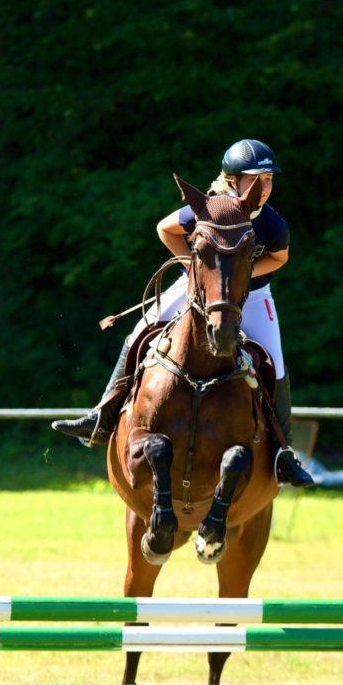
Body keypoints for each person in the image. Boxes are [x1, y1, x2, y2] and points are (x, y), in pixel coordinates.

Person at [53, 139, 314, 487]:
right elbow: (165, 228)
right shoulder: (208, 208)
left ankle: (284, 453)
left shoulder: (271, 222)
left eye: (268, 179)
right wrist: (196, 268)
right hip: (200, 289)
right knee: (139, 330)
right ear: (232, 180)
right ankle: (102, 415)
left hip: (252, 295)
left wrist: (240, 274)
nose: (263, 187)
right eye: (255, 179)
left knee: (275, 363)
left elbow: (280, 257)